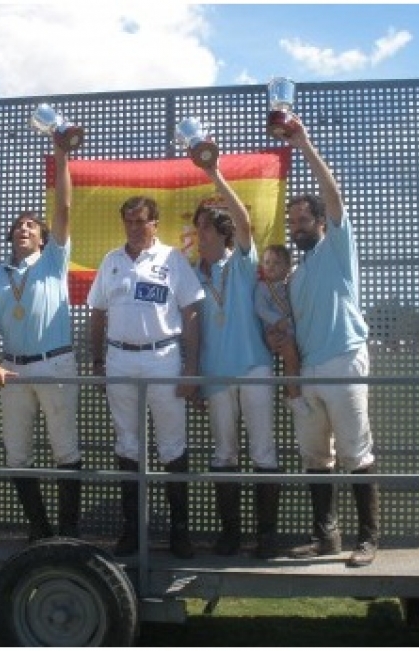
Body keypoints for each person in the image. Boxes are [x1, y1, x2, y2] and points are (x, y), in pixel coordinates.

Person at [267, 116, 380, 568]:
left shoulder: (337, 247)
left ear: (320, 221)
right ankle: (327, 539)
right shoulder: (295, 275)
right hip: (309, 370)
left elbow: (333, 195)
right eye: (291, 220)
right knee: (316, 457)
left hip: (345, 360)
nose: (296, 224)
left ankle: (369, 540)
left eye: (303, 218)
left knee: (356, 453)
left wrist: (303, 144)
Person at [0, 138, 82, 543]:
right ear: (10, 237)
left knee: (65, 450)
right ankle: (40, 529)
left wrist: (61, 156)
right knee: (16, 452)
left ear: (43, 238)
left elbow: (65, 208)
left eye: (31, 226)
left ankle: (67, 534)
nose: (24, 229)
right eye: (18, 226)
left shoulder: (54, 260)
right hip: (13, 368)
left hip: (55, 363)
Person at [87, 196, 204, 559]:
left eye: (142, 221)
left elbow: (192, 313)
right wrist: (96, 361)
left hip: (163, 359)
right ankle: (134, 529)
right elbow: (97, 313)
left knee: (172, 445)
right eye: (129, 221)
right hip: (119, 359)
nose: (135, 228)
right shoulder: (111, 261)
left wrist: (191, 369)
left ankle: (179, 531)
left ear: (155, 223)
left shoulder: (173, 259)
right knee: (127, 444)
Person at [191, 162, 284, 559]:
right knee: (223, 453)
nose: (200, 236)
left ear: (223, 232)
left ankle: (265, 536)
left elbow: (245, 219)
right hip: (216, 374)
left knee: (263, 451)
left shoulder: (245, 260)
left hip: (255, 367)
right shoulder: (191, 274)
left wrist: (214, 173)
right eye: (197, 230)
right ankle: (230, 534)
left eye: (206, 228)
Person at [255, 244, 302, 400]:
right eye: (267, 262)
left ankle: (291, 388)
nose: (271, 267)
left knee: (296, 360)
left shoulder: (289, 285)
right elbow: (260, 308)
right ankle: (294, 394)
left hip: (291, 330)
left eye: (276, 263)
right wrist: (277, 321)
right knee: (290, 357)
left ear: (287, 268)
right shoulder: (262, 287)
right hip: (276, 330)